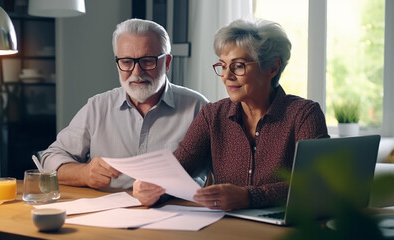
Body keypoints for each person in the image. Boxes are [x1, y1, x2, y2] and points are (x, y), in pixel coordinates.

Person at [133, 18, 329, 211]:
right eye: (223, 66)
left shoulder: (304, 115)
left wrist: (249, 197)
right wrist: (153, 188)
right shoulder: (212, 115)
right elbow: (177, 171)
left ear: (272, 67)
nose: (227, 76)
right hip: (226, 227)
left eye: (238, 65)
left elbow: (317, 185)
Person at [41, 18, 209, 190]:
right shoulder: (98, 107)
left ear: (166, 63)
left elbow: (224, 173)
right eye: (127, 62)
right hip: (108, 213)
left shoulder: (199, 108)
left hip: (178, 212)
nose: (137, 72)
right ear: (118, 63)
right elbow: (50, 158)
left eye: (147, 61)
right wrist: (84, 173)